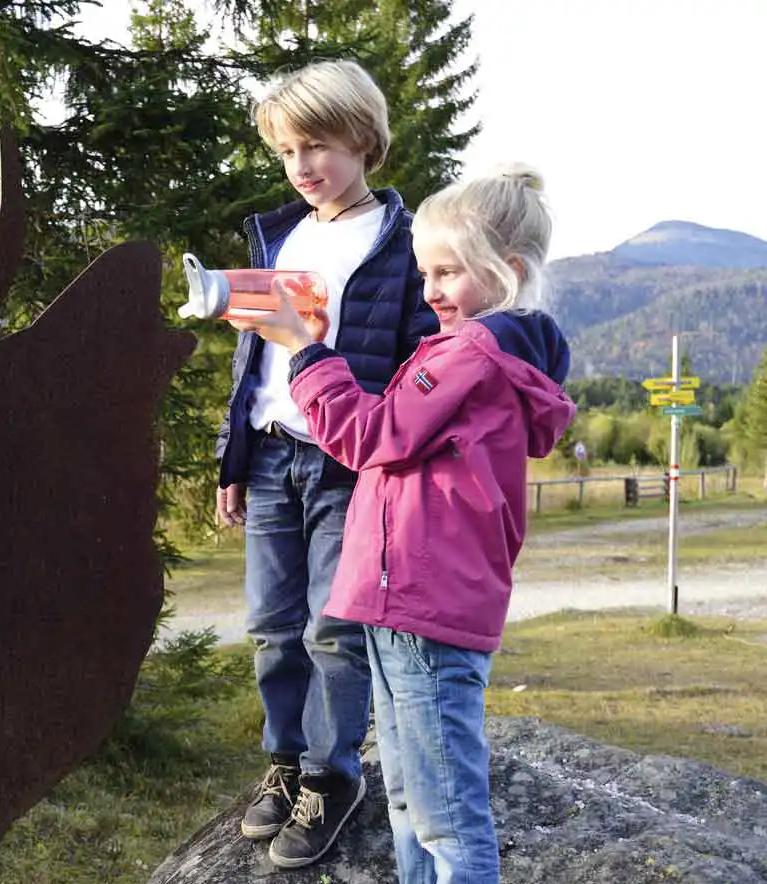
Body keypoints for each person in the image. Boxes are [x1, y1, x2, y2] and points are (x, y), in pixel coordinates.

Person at [233, 165, 576, 883]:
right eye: (425, 273)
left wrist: (305, 350)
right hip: (403, 605)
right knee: (413, 805)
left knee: (445, 813)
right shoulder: (471, 355)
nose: (429, 293)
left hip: (422, 608)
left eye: (448, 273)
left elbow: (372, 436)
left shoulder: (471, 356)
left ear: (506, 271)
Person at [214, 59, 437, 869]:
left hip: (351, 465)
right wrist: (231, 457)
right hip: (273, 457)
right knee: (272, 629)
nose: (302, 166)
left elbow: (421, 360)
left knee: (335, 631)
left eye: (318, 145)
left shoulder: (404, 242)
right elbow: (256, 361)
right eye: (286, 151)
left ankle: (331, 775)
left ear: (364, 141)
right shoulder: (279, 234)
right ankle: (283, 762)